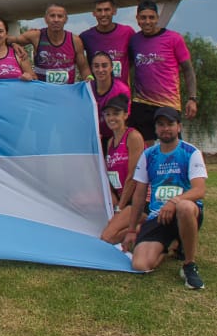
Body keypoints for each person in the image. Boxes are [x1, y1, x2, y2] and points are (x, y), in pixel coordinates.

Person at [126, 107, 207, 290]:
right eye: (160, 125)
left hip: (185, 212)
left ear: (178, 127)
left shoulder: (190, 152)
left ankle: (189, 265)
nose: (165, 129)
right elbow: (139, 194)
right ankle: (171, 244)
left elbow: (199, 190)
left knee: (185, 207)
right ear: (155, 129)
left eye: (170, 124)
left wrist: (174, 201)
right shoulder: (148, 155)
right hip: (158, 216)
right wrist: (131, 230)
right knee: (140, 265)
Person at [127, 0, 197, 142]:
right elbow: (127, 69)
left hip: (168, 104)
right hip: (141, 103)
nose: (147, 21)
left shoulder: (173, 39)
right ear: (137, 19)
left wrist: (192, 99)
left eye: (151, 17)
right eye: (143, 17)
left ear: (157, 18)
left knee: (171, 147)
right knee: (143, 149)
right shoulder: (134, 41)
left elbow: (188, 70)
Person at [98, 99, 146, 245]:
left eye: (116, 114)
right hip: (121, 199)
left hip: (137, 201)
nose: (111, 118)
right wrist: (112, 199)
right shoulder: (110, 141)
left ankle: (147, 227)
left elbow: (133, 176)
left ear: (125, 115)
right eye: (108, 114)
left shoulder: (133, 137)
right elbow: (109, 175)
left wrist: (120, 207)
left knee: (108, 237)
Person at [16, 3, 90, 86]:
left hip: (67, 93)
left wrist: (91, 81)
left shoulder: (75, 41)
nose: (56, 20)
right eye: (52, 16)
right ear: (46, 19)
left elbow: (84, 69)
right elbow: (5, 40)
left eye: (60, 16)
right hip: (42, 92)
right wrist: (15, 45)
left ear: (65, 19)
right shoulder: (36, 36)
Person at [79, 0, 136, 82]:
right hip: (97, 92)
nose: (103, 14)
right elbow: (77, 60)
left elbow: (133, 59)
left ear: (114, 11)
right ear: (94, 13)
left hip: (121, 92)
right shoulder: (85, 37)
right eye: (99, 10)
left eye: (107, 10)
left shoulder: (127, 32)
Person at [89, 51, 131, 144]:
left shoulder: (122, 90)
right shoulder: (86, 89)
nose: (100, 70)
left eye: (104, 66)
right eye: (96, 66)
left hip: (114, 136)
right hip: (93, 137)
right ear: (91, 68)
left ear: (112, 68)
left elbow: (124, 118)